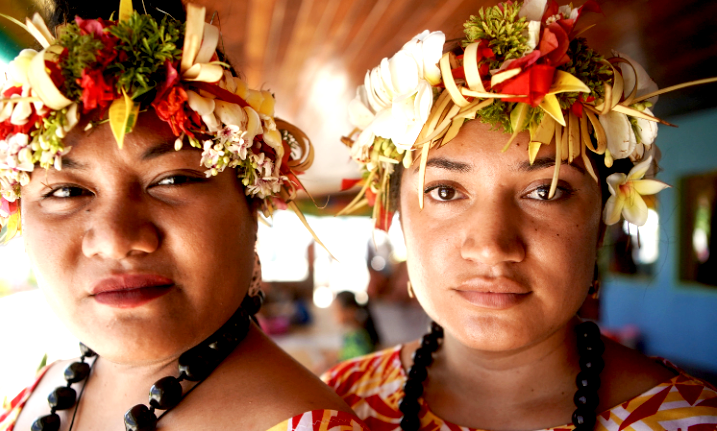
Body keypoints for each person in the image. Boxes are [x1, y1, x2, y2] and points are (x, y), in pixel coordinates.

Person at [322, 1, 717, 430]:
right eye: (444, 191)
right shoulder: (334, 408)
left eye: (545, 192)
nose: (492, 247)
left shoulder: (691, 422)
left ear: (603, 221)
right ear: (397, 216)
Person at [0, 1, 368, 430]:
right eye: (65, 191)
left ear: (254, 203)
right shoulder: (35, 394)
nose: (118, 238)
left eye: (172, 180)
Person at [333, 291, 381, 362]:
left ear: (351, 310)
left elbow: (359, 364)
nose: (334, 315)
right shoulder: (348, 336)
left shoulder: (359, 338)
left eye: (337, 310)